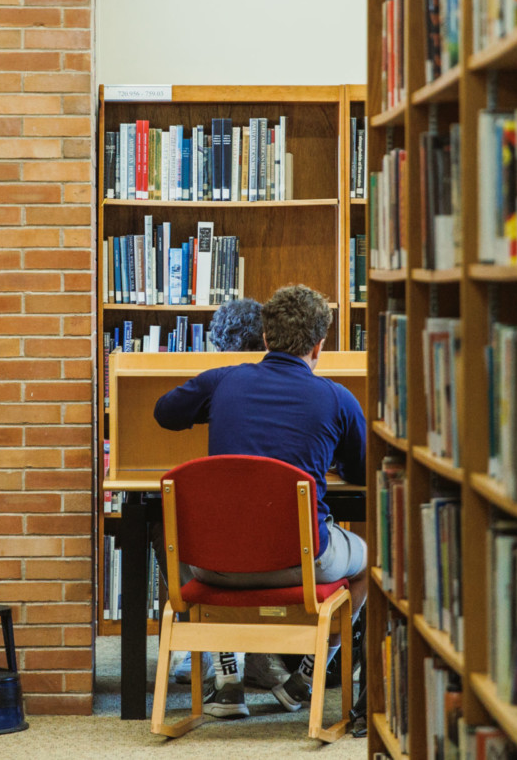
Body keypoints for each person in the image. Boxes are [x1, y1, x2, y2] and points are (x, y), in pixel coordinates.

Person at [153, 284, 368, 720]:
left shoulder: (224, 380)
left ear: (266, 339)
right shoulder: (337, 398)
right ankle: (307, 677)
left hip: (213, 565)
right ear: (319, 346)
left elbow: (165, 413)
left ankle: (228, 678)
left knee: (168, 530)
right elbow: (364, 472)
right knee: (369, 560)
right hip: (300, 562)